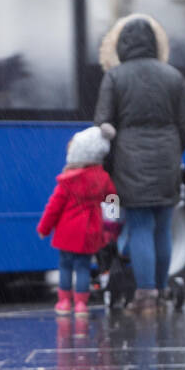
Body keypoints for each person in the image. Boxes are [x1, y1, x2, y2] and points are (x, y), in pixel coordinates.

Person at [94, 14, 185, 311]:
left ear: (122, 45)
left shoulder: (115, 77)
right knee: (163, 226)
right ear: (153, 43)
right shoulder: (173, 76)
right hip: (167, 161)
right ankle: (162, 289)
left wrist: (114, 158)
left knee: (139, 226)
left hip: (129, 163)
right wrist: (174, 150)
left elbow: (102, 122)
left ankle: (145, 293)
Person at [37, 125, 118, 316]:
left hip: (67, 231)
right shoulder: (103, 178)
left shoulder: (67, 181)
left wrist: (44, 228)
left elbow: (53, 208)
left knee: (65, 266)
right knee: (83, 267)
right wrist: (112, 225)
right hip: (91, 231)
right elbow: (112, 199)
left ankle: (64, 302)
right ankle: (81, 305)